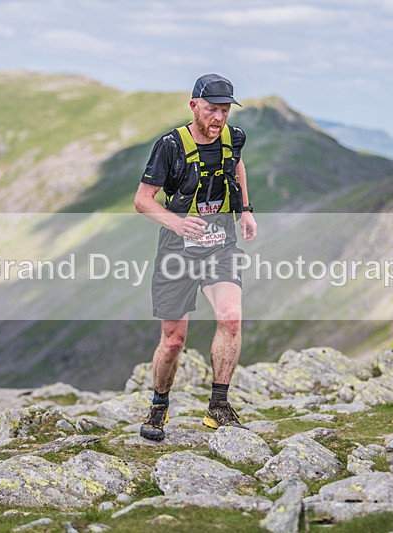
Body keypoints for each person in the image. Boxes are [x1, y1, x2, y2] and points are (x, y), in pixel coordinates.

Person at [134, 73, 257, 441]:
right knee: (173, 340)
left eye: (224, 110)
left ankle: (218, 406)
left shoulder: (234, 138)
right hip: (178, 252)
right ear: (194, 106)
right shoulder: (170, 145)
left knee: (231, 319)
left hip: (221, 245)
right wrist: (176, 223)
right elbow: (142, 200)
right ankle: (159, 406)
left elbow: (236, 165)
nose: (218, 118)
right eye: (211, 109)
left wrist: (246, 210)